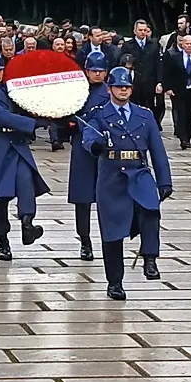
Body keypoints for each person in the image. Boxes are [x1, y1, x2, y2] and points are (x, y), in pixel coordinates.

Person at [82, 67, 173, 301]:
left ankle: (150, 257)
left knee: (151, 210)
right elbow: (88, 136)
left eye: (127, 87)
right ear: (110, 88)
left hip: (139, 172)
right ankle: (115, 282)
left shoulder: (144, 115)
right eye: (119, 86)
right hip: (112, 177)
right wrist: (95, 145)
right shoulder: (99, 114)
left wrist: (164, 181)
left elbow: (158, 151)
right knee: (112, 233)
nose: (123, 90)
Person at [0, 51, 49, 261]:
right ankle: (3, 240)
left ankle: (27, 223)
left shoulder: (13, 89)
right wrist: (32, 124)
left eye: (0, 69)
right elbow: (2, 117)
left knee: (26, 181)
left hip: (17, 145)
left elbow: (28, 105)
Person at [67, 53, 110, 261]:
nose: (97, 74)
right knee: (82, 197)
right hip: (81, 147)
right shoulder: (77, 90)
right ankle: (84, 239)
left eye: (101, 71)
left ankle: (110, 238)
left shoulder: (111, 92)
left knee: (108, 197)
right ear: (86, 71)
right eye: (94, 71)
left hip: (105, 148)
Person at [120, 20, 164, 127]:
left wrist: (159, 82)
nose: (143, 32)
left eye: (145, 30)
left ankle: (148, 127)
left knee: (149, 107)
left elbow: (158, 64)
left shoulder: (153, 44)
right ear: (135, 31)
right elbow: (122, 64)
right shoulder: (128, 45)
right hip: (134, 82)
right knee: (134, 106)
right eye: (140, 30)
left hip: (149, 81)